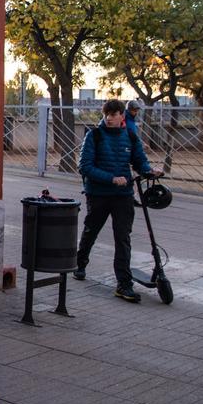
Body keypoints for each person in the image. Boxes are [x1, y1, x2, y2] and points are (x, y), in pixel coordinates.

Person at [73, 98, 160, 301]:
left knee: (123, 238)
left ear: (122, 115)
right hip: (98, 194)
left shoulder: (130, 135)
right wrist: (111, 179)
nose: (109, 118)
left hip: (123, 195)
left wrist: (149, 171)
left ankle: (124, 284)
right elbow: (84, 167)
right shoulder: (94, 136)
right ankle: (80, 263)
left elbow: (139, 160)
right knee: (91, 230)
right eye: (106, 115)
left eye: (113, 115)